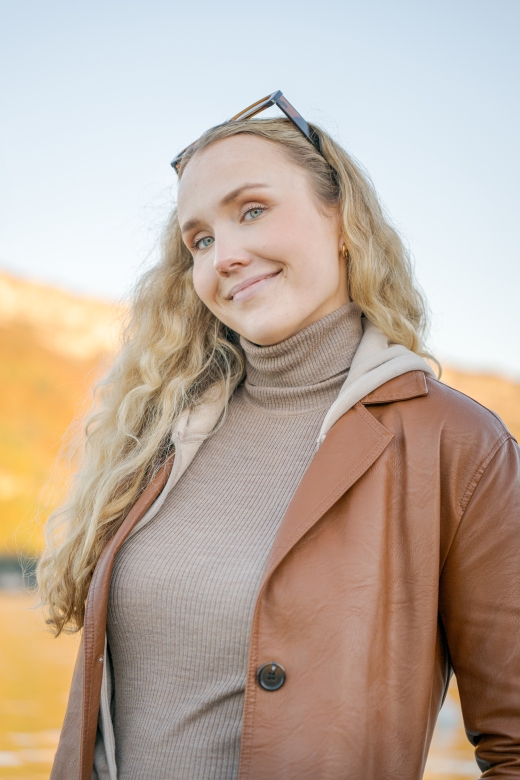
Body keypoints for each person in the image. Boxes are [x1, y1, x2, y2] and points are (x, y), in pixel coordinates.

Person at [39, 91, 520, 780]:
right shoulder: (159, 438)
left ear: (343, 220)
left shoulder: (457, 445)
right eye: (199, 240)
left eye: (252, 211)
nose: (222, 256)